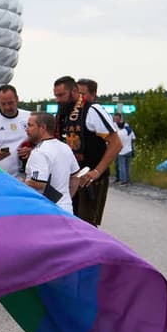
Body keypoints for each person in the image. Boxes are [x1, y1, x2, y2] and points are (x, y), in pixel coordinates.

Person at [53, 76, 121, 226]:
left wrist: (97, 171)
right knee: (66, 222)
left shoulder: (92, 110)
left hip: (89, 179)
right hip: (68, 178)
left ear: (74, 91)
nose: (57, 100)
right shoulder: (62, 113)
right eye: (55, 96)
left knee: (85, 225)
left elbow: (116, 144)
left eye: (61, 95)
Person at [24, 112, 81, 214]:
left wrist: (21, 182)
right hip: (66, 209)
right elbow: (76, 176)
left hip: (46, 212)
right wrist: (66, 198)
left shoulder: (39, 152)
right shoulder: (65, 147)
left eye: (30, 125)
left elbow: (39, 183)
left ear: (43, 127)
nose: (27, 129)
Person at [113, 113, 135, 185]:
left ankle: (123, 180)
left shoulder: (119, 132)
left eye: (117, 118)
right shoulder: (129, 130)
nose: (116, 120)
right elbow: (133, 138)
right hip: (128, 150)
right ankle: (125, 179)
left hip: (120, 151)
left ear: (120, 118)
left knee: (121, 166)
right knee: (127, 166)